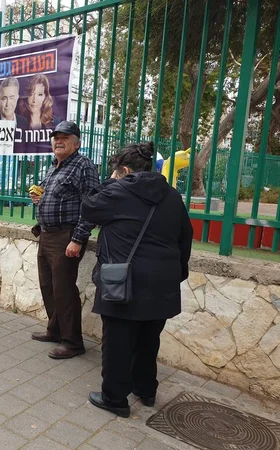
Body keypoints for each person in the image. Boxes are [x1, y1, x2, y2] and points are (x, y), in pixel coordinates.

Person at [80, 142, 193, 418]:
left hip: (124, 281)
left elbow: (88, 208)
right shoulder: (172, 196)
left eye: (116, 172)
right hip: (162, 283)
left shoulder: (118, 190)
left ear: (125, 171)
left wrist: (110, 181)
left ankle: (115, 399)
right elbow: (185, 238)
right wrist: (177, 272)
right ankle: (146, 390)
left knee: (118, 341)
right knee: (148, 340)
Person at [29, 120, 99, 359]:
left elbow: (91, 206)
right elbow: (54, 196)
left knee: (64, 290)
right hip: (46, 234)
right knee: (48, 286)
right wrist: (38, 197)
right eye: (56, 137)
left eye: (64, 138)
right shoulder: (54, 167)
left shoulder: (83, 165)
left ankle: (73, 342)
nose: (58, 141)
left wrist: (78, 239)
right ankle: (55, 330)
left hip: (65, 236)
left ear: (76, 143)